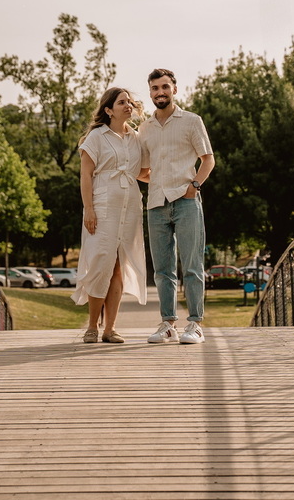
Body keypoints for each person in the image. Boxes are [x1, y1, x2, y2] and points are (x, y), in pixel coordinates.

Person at [138, 68, 215, 345]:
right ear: (150, 92)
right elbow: (142, 170)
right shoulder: (144, 128)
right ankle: (168, 324)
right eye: (155, 88)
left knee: (192, 265)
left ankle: (195, 324)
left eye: (164, 87)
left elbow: (208, 160)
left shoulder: (192, 121)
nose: (160, 92)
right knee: (162, 270)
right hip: (156, 204)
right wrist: (159, 180)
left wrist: (193, 186)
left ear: (174, 89)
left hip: (186, 202)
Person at [72, 87, 148, 343]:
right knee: (100, 265)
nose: (128, 106)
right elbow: (85, 175)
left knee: (118, 267)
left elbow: (142, 173)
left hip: (130, 208)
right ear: (109, 110)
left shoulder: (136, 138)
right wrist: (89, 209)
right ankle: (92, 326)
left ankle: (110, 329)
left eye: (130, 102)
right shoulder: (96, 137)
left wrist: (173, 177)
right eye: (122, 102)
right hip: (102, 209)